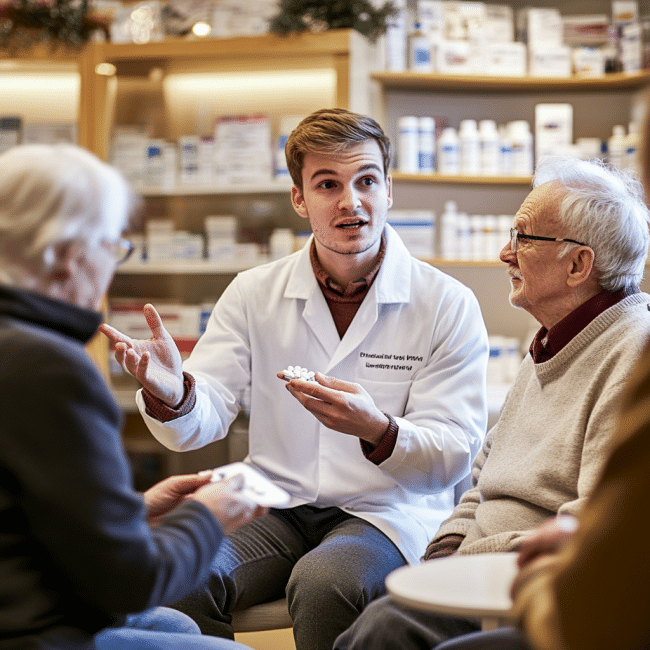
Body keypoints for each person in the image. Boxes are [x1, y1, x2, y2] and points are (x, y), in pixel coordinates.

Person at [100, 107, 490, 650]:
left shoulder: (445, 303)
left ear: (389, 188)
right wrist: (173, 393)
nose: (351, 202)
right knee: (184, 572)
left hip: (383, 510)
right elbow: (206, 411)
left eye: (366, 181)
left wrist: (379, 429)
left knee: (326, 583)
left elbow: (455, 452)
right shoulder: (253, 291)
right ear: (300, 199)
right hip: (275, 500)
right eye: (328, 184)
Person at [333, 153, 650, 650]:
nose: (506, 253)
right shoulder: (551, 342)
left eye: (523, 237)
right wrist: (445, 551)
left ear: (577, 264)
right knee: (372, 622)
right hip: (480, 568)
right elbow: (484, 477)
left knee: (383, 632)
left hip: (534, 584)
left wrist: (475, 558)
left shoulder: (633, 354)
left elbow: (594, 525)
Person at [0, 142, 266, 650]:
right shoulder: (48, 368)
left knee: (177, 626)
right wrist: (209, 514)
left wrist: (133, 512)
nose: (112, 267)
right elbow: (129, 581)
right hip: (29, 631)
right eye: (111, 247)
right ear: (65, 256)